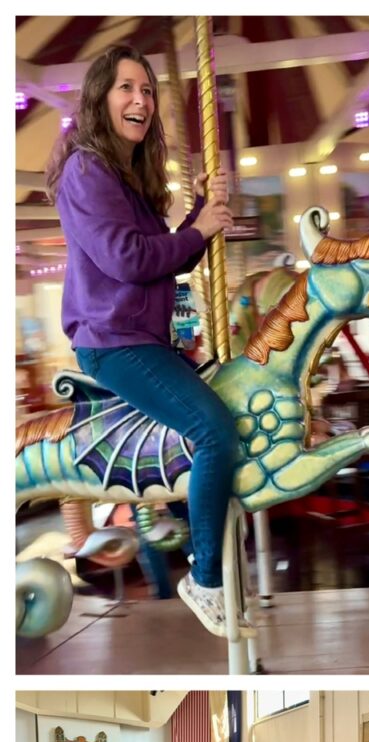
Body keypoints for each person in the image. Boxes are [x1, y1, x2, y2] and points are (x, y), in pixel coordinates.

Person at [46, 44, 245, 638]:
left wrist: (201, 218)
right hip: (114, 341)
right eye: (126, 88)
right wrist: (199, 227)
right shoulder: (86, 169)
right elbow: (129, 259)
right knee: (214, 430)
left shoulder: (122, 177)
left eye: (148, 90)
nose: (141, 100)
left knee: (221, 414)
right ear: (100, 98)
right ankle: (204, 577)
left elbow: (162, 263)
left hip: (142, 337)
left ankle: (195, 531)